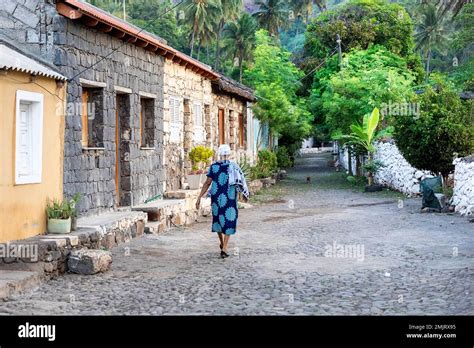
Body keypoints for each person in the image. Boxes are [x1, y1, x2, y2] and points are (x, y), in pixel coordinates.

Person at [196, 144, 249, 258]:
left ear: (219, 154)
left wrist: (199, 197)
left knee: (218, 220)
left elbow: (207, 183)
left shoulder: (214, 167)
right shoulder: (234, 166)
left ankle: (222, 244)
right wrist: (244, 195)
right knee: (229, 220)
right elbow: (241, 182)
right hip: (229, 198)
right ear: (229, 154)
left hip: (216, 198)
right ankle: (224, 247)